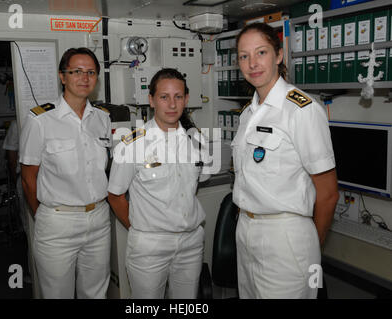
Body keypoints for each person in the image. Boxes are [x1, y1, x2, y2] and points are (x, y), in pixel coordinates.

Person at [231, 22, 339, 299]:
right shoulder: (248, 114)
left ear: (279, 55)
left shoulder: (301, 110)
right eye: (244, 56)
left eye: (261, 52)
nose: (252, 63)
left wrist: (311, 244)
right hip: (245, 229)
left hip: (286, 236)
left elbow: (328, 193)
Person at [108, 68, 210, 299]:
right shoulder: (132, 144)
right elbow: (115, 196)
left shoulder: (197, 141)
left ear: (186, 99)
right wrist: (139, 229)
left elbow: (197, 184)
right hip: (150, 246)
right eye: (164, 97)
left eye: (178, 96)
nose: (172, 104)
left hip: (191, 243)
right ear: (151, 100)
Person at [19, 48, 112, 299]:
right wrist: (47, 217)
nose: (85, 78)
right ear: (62, 77)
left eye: (91, 72)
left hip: (99, 218)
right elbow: (28, 178)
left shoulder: (102, 119)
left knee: (95, 293)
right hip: (58, 221)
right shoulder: (40, 120)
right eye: (76, 72)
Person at [2, 119, 41, 296]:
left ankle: (35, 275)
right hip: (35, 179)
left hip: (27, 178)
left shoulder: (19, 122)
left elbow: (11, 155)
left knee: (31, 228)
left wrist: (14, 175)